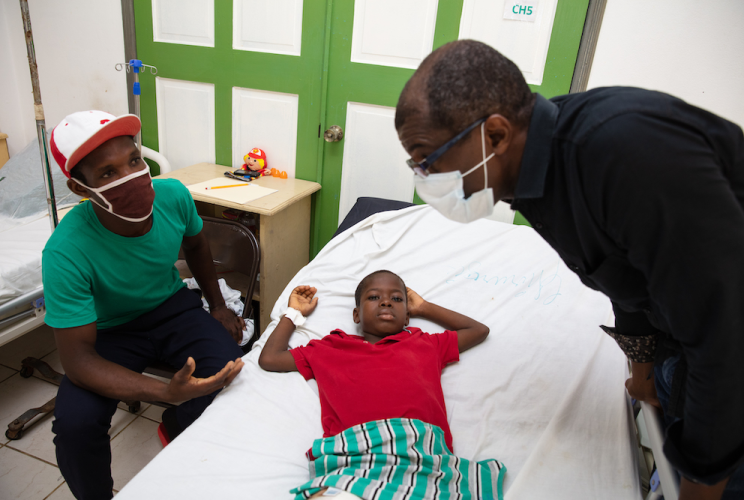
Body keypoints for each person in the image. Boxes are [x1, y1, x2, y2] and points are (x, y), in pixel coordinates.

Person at [393, 39, 744, 500]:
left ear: (494, 135)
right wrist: (642, 362)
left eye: (428, 159)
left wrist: (702, 482)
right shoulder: (533, 177)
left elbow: (726, 339)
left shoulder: (625, 154)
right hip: (687, 357)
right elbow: (623, 272)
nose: (423, 177)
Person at [44, 110, 245, 500]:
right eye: (107, 173)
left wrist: (217, 305)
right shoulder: (66, 252)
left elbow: (197, 245)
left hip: (171, 307)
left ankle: (176, 425)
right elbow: (79, 361)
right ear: (79, 188)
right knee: (74, 425)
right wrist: (165, 391)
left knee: (231, 374)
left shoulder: (173, 197)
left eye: (134, 161)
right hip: (107, 330)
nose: (131, 178)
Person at [259, 270, 502, 498]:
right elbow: (270, 358)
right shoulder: (329, 348)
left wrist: (424, 307)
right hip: (355, 459)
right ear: (356, 315)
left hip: (420, 454)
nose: (386, 302)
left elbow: (478, 330)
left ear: (407, 316)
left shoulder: (426, 344)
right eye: (374, 297)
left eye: (397, 299)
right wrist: (293, 313)